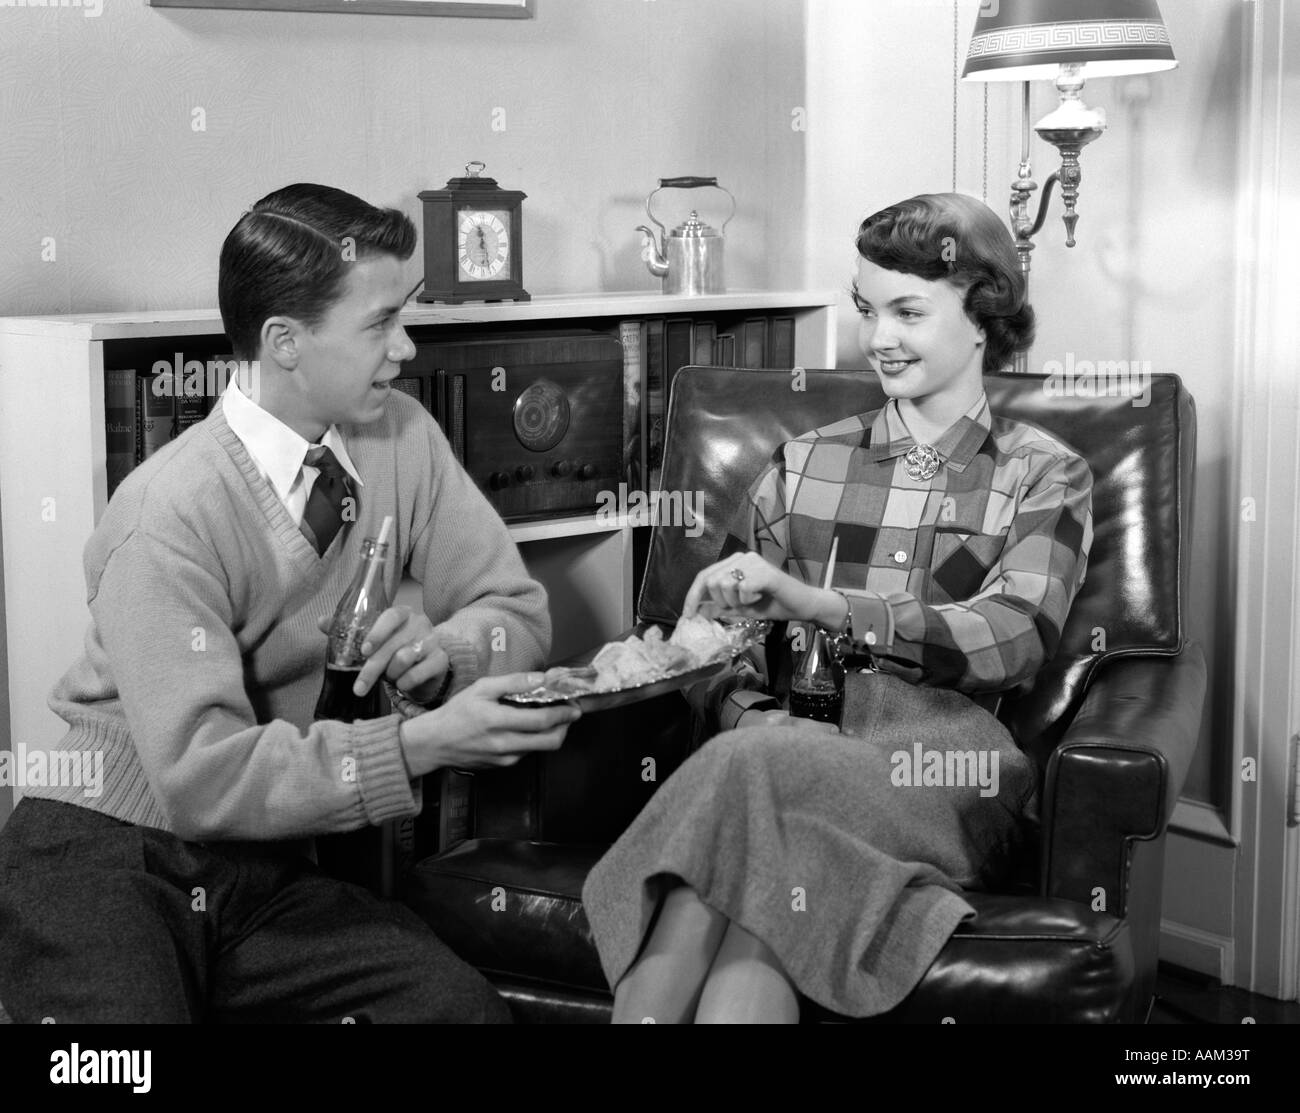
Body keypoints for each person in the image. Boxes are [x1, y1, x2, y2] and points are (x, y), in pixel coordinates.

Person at [0, 183, 580, 1023]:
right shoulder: (168, 510)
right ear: (286, 343)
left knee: (459, 1013)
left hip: (265, 868)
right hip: (105, 851)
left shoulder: (402, 438)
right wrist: (417, 743)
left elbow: (516, 611)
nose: (406, 347)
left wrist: (450, 652)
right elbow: (201, 780)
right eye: (380, 324)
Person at [581, 192, 1094, 1024]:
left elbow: (1014, 638)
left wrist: (821, 604)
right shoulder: (804, 461)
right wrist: (752, 712)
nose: (880, 337)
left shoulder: (1042, 473)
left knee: (739, 807)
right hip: (791, 754)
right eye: (867, 309)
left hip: (945, 766)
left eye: (909, 311)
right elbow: (724, 650)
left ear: (983, 318)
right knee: (762, 887)